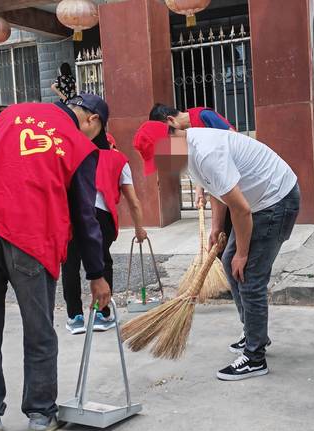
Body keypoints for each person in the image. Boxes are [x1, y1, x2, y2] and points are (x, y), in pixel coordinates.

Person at [0, 93, 111, 431]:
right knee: (39, 328)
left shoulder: (9, 114)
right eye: (98, 132)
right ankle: (41, 415)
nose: (95, 140)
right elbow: (85, 216)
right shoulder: (78, 144)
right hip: (30, 238)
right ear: (90, 119)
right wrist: (96, 273)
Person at [133, 121, 300, 381]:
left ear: (171, 136)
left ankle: (255, 358)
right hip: (256, 202)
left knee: (248, 275)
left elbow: (241, 209)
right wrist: (216, 226)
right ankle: (255, 333)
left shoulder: (206, 152)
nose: (163, 167)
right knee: (228, 263)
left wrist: (242, 253)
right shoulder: (188, 152)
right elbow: (219, 190)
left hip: (275, 201)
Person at [62, 131, 148, 334]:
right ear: (111, 145)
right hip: (101, 217)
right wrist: (139, 228)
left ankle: (75, 318)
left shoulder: (75, 155)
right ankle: (102, 314)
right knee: (101, 262)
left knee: (70, 264)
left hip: (73, 213)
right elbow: (133, 201)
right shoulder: (119, 159)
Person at [149, 103, 235, 238]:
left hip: (232, 179)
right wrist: (199, 190)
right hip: (220, 184)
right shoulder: (187, 134)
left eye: (167, 133)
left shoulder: (204, 116)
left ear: (171, 120)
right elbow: (204, 165)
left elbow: (233, 138)